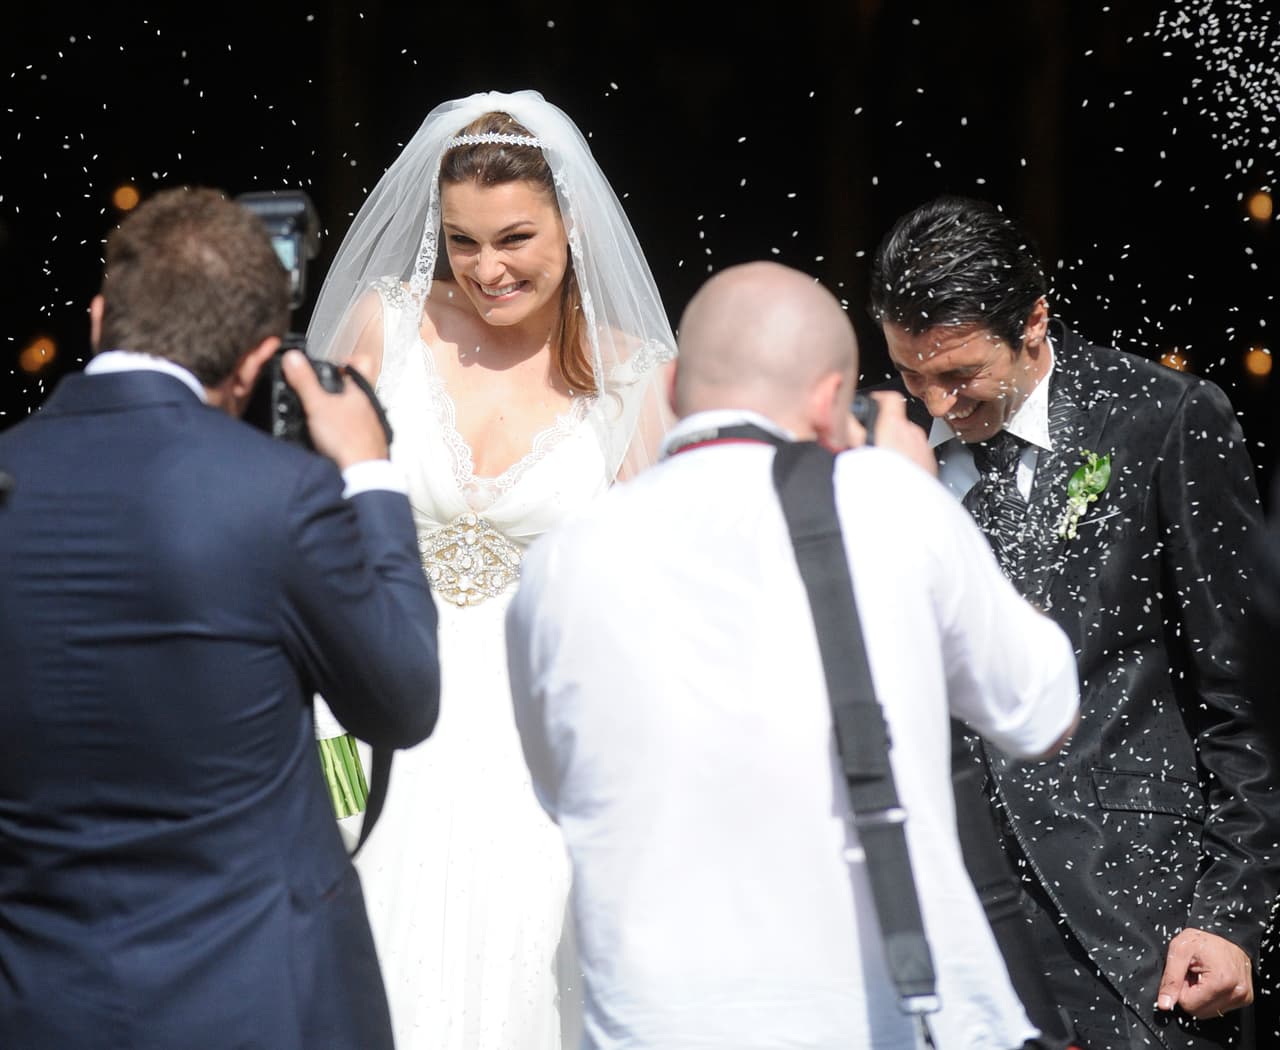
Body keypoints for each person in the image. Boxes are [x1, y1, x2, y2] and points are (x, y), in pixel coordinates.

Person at [506, 260, 1081, 1050]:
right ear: (829, 401)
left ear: (671, 386)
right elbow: (1041, 706)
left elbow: (557, 786)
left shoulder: (562, 560)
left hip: (656, 1021)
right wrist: (915, 482)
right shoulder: (890, 503)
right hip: (872, 1015)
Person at [0, 187, 441, 1049]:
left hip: (41, 1000)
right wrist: (371, 475)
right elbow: (401, 699)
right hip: (259, 1000)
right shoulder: (280, 495)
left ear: (97, 321)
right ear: (258, 361)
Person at [306, 90, 676, 1049]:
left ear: (573, 225)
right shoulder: (383, 328)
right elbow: (305, 520)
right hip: (378, 704)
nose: (487, 269)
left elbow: (665, 587)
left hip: (539, 737)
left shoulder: (638, 378)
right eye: (463, 242)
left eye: (514, 238)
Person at [871, 195, 1280, 1050]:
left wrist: (1233, 911)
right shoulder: (882, 453)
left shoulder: (1162, 419)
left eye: (960, 375)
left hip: (1133, 919)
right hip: (938, 918)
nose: (938, 403)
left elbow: (1244, 692)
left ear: (1033, 321)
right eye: (912, 375)